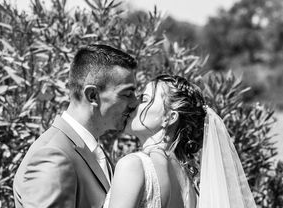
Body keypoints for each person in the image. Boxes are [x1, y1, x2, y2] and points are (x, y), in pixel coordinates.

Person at [13, 43, 139, 208]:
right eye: (127, 94)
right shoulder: (53, 156)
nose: (135, 102)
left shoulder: (90, 149)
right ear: (92, 95)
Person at [104, 74, 256, 208]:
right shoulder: (190, 179)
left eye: (144, 99)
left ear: (169, 118)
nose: (133, 105)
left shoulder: (134, 165)